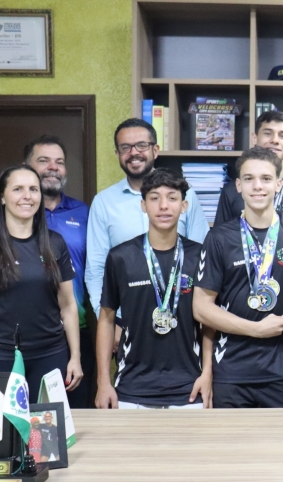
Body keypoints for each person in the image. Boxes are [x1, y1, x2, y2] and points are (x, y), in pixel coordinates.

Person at [0, 134, 95, 407]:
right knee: (4, 438)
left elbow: (68, 306)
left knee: (48, 441)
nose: (27, 196)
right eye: (18, 189)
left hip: (52, 354)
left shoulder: (55, 243)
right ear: (2, 196)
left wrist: (75, 358)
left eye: (33, 189)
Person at [193, 147, 283, 408]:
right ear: (238, 185)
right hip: (232, 373)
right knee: (235, 449)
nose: (257, 186)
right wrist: (257, 330)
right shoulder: (218, 238)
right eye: (249, 179)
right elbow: (202, 309)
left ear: (279, 184)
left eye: (266, 179)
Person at [95, 169, 213, 410]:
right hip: (131, 388)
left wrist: (207, 373)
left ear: (184, 206)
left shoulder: (200, 254)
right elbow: (106, 319)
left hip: (189, 388)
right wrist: (103, 382)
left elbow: (209, 322)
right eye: (154, 198)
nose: (163, 206)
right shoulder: (121, 257)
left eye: (172, 198)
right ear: (143, 206)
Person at [86, 118, 209, 320]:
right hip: (128, 319)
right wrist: (109, 319)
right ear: (117, 154)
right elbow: (96, 269)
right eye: (125, 147)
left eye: (141, 145)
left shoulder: (185, 195)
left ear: (155, 150)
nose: (134, 152)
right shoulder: (103, 202)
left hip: (183, 316)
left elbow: (203, 258)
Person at [215, 111, 283, 223]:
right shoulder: (231, 191)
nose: (275, 140)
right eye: (267, 133)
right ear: (254, 138)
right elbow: (220, 237)